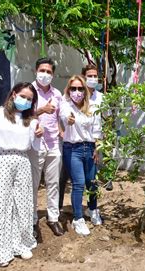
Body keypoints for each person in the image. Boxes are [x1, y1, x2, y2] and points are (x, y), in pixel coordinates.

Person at [0, 82, 43, 267]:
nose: (25, 101)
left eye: (29, 99)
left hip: (22, 160)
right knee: (1, 204)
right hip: (2, 160)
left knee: (23, 204)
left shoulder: (32, 120)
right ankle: (2, 250)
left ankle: (20, 243)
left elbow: (34, 147)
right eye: (23, 96)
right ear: (13, 94)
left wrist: (39, 135)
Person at [60, 75, 103, 235]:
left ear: (85, 90)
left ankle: (92, 210)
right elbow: (65, 117)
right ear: (69, 90)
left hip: (90, 147)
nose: (76, 92)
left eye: (79, 88)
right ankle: (78, 219)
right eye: (73, 88)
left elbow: (97, 129)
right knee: (78, 183)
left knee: (92, 182)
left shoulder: (92, 106)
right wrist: (69, 120)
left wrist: (97, 149)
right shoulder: (65, 105)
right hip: (72, 149)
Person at [30, 57, 64, 238]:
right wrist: (42, 110)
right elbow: (21, 114)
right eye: (42, 71)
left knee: (53, 184)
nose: (45, 74)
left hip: (53, 144)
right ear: (36, 71)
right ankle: (33, 220)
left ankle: (53, 218)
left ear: (53, 74)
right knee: (33, 185)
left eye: (49, 72)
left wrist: (62, 130)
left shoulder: (57, 94)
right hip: (35, 145)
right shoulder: (28, 91)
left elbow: (59, 116)